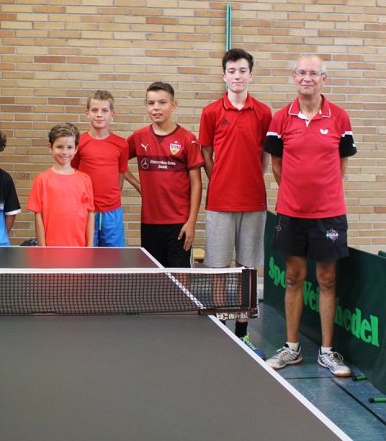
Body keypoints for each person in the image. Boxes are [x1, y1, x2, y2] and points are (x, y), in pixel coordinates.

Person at [264, 55, 357, 377]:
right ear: (294, 77)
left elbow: (341, 164)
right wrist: (295, 195)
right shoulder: (280, 119)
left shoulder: (340, 117)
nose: (307, 78)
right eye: (302, 72)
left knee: (327, 279)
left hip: (329, 215)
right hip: (291, 213)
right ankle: (291, 348)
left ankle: (328, 353)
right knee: (293, 277)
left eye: (314, 73)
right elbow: (277, 165)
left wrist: (323, 194)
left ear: (323, 79)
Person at [198, 49, 272, 356]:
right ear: (224, 75)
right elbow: (205, 152)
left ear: (251, 75)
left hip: (253, 201)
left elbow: (265, 154)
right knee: (218, 267)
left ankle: (242, 331)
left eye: (242, 70)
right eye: (232, 71)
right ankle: (220, 327)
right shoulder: (211, 112)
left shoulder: (264, 112)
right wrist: (219, 179)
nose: (237, 76)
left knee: (247, 268)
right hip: (219, 201)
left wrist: (252, 177)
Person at [127, 82, 203, 268]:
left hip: (179, 223)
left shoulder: (188, 139)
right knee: (154, 277)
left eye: (162, 102)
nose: (156, 108)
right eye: (151, 103)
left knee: (179, 277)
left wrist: (191, 222)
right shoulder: (138, 137)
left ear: (173, 105)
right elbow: (117, 161)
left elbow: (196, 184)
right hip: (150, 222)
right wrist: (138, 185)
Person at [71, 90, 133, 247]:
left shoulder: (121, 144)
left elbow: (120, 176)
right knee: (85, 255)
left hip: (112, 212)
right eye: (94, 110)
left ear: (112, 114)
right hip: (85, 210)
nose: (99, 115)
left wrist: (110, 201)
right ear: (87, 113)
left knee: (113, 256)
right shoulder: (79, 142)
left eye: (104, 110)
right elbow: (72, 174)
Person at [26, 122, 95, 247]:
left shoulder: (85, 180)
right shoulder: (41, 180)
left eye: (69, 147)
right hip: (51, 248)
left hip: (79, 248)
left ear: (76, 149)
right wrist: (42, 248)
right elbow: (38, 216)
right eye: (59, 147)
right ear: (50, 147)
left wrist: (89, 247)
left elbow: (90, 214)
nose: (64, 152)